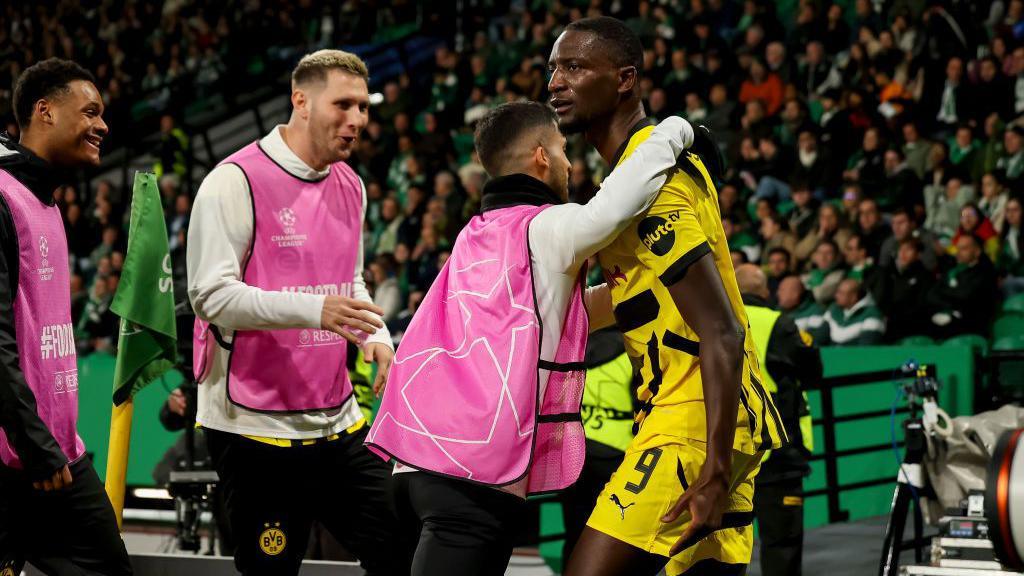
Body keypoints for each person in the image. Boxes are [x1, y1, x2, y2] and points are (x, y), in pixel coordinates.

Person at [366, 102, 697, 576]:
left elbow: (557, 315)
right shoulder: (544, 228)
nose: (568, 162)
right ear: (542, 156)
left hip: (414, 465)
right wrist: (676, 132)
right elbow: (614, 206)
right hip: (471, 477)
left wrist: (646, 289)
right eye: (563, 150)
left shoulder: (476, 233)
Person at [548, 17, 786, 576]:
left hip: (695, 422)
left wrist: (717, 467)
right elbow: (647, 296)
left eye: (575, 67)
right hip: (710, 417)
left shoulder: (652, 188)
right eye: (554, 67)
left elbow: (721, 331)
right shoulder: (638, 173)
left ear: (625, 79)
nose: (555, 81)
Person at [187, 50, 405, 576]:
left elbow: (348, 282)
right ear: (300, 101)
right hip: (253, 426)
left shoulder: (351, 184)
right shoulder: (232, 180)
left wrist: (376, 337)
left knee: (402, 553)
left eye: (364, 106)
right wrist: (315, 311)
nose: (358, 119)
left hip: (337, 419)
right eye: (344, 104)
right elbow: (210, 296)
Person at [0, 58, 132, 575]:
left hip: (59, 459)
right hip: (18, 464)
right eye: (90, 112)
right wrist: (34, 445)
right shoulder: (3, 199)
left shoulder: (48, 202)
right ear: (45, 112)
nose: (102, 125)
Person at [735, 265, 821, 576]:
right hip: (776, 454)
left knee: (719, 547)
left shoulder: (708, 318)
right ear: (765, 291)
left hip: (724, 453)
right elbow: (813, 371)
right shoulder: (779, 324)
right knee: (780, 546)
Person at [823, 279, 886, 345]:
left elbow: (867, 349)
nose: (836, 296)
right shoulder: (834, 309)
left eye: (841, 293)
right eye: (837, 292)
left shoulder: (873, 315)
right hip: (830, 354)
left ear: (853, 297)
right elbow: (819, 336)